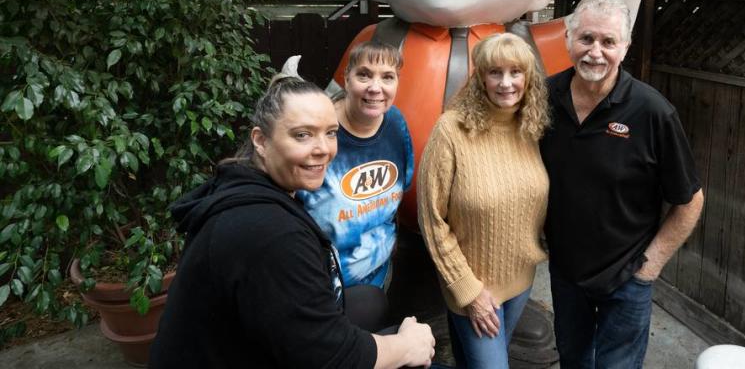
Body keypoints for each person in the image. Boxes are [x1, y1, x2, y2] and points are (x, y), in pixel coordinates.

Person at [150, 75, 434, 369]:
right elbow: (332, 358)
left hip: (245, 337)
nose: (323, 149)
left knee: (370, 300)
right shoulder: (270, 235)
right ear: (260, 140)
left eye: (331, 133)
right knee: (412, 357)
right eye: (302, 135)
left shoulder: (245, 184)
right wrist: (406, 346)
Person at [539, 0, 705, 369]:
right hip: (566, 273)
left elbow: (690, 199)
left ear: (625, 47)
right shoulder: (545, 98)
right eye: (586, 38)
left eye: (608, 41)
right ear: (567, 39)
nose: (595, 51)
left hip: (627, 278)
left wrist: (650, 266)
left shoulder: (651, 111)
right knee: (572, 361)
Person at [418, 33, 550, 368]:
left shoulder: (531, 128)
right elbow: (431, 219)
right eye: (495, 73)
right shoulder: (451, 130)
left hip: (520, 280)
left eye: (515, 72)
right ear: (481, 78)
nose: (506, 83)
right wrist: (469, 292)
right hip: (472, 288)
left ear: (528, 78)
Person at [298, 42, 414, 331]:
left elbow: (403, 184)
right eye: (364, 75)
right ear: (346, 77)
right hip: (321, 292)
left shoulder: (396, 123)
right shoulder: (319, 133)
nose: (376, 88)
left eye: (387, 76)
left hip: (379, 280)